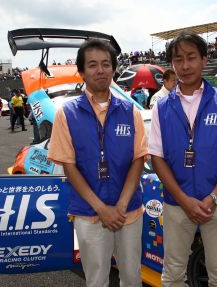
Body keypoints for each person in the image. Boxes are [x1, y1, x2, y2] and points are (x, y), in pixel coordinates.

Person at [149, 31, 217, 287]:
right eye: (178, 59)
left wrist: (214, 196)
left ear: (204, 59)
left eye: (191, 57)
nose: (185, 65)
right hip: (176, 204)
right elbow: (157, 158)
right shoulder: (161, 106)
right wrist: (184, 200)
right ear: (172, 64)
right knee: (172, 274)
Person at [48, 39, 147, 287]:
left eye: (105, 64)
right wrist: (102, 208)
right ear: (81, 72)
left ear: (113, 69)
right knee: (96, 280)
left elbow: (138, 159)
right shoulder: (67, 113)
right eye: (92, 65)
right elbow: (69, 166)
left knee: (132, 278)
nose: (100, 70)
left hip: (129, 212)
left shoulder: (130, 110)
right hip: (89, 213)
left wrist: (121, 205)